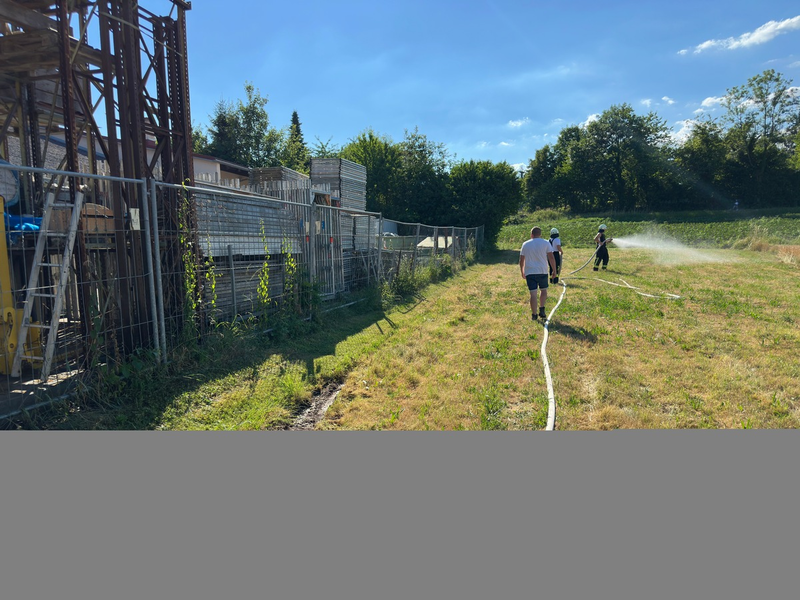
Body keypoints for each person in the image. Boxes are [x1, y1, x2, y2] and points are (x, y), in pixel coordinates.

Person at [519, 226, 558, 321]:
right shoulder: (546, 243)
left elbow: (521, 260)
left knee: (533, 294)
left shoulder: (525, 244)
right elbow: (551, 257)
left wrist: (522, 271)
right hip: (542, 271)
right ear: (540, 234)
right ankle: (542, 308)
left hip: (530, 272)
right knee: (543, 291)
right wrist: (554, 270)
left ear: (531, 234)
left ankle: (534, 314)